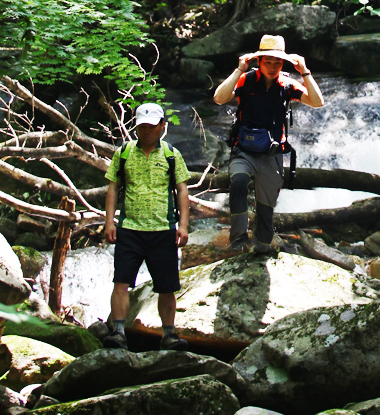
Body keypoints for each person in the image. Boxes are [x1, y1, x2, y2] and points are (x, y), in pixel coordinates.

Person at [213, 34, 324, 253]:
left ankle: (262, 244)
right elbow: (219, 98)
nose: (273, 67)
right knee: (238, 183)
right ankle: (238, 239)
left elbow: (317, 102)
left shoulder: (287, 85)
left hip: (271, 154)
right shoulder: (245, 80)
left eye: (277, 62)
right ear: (259, 61)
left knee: (266, 205)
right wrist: (239, 70)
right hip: (243, 151)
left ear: (282, 64)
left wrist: (305, 72)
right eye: (268, 62)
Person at [103, 103, 191, 351]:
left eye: (152, 126)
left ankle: (169, 335)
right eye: (142, 126)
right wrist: (109, 221)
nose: (147, 131)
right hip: (129, 228)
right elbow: (113, 188)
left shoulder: (172, 155)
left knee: (167, 286)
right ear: (136, 126)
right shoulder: (123, 153)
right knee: (121, 282)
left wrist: (183, 225)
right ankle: (118, 333)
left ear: (162, 126)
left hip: (163, 229)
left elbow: (182, 190)